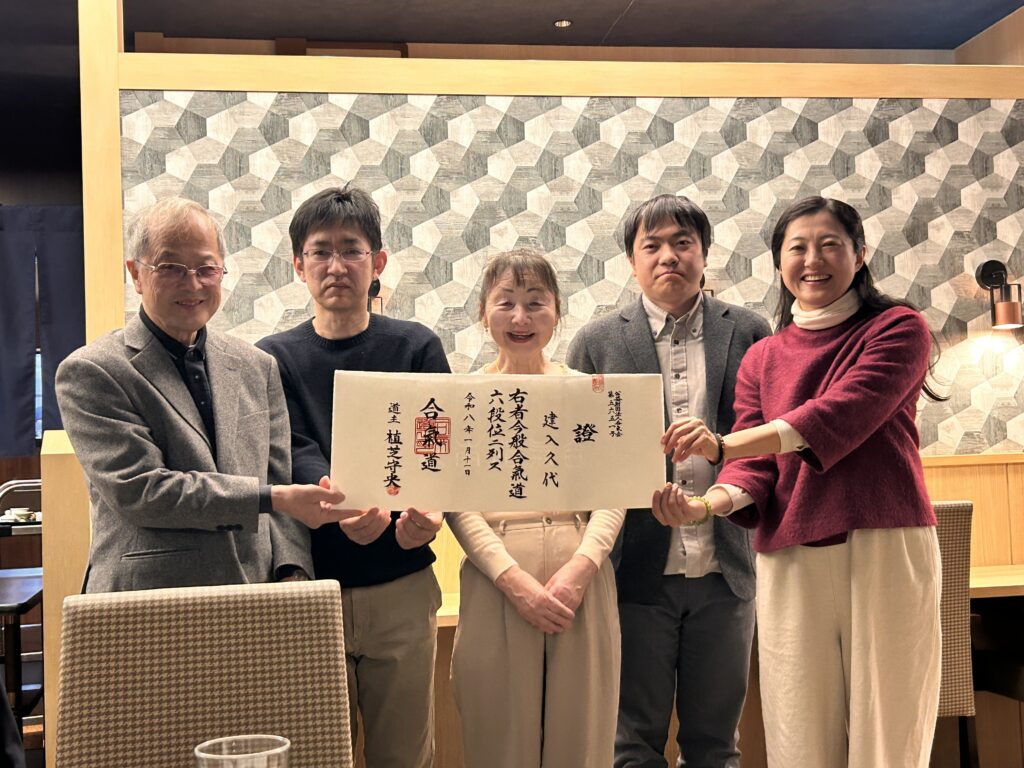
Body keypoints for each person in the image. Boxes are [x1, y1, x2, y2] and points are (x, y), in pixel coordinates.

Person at [661, 196, 942, 768]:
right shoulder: (763, 356)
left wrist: (724, 444)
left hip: (883, 542)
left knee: (888, 725)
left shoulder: (899, 328)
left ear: (860, 255)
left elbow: (839, 414)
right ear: (779, 263)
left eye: (830, 244)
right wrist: (704, 506)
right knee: (797, 728)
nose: (813, 260)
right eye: (798, 248)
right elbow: (756, 469)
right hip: (789, 552)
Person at [567, 194, 771, 768]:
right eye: (651, 245)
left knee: (716, 745)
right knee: (633, 743)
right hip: (634, 571)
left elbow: (766, 442)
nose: (668, 257)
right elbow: (580, 463)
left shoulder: (750, 331)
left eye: (683, 243)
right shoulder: (596, 342)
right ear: (631, 261)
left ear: (704, 253)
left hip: (726, 567)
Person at [56, 198, 345, 593]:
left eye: (206, 269)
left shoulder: (257, 366)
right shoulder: (93, 371)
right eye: (170, 267)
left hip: (254, 594)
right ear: (136, 274)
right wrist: (269, 498)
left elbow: (280, 480)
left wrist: (293, 572)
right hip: (149, 599)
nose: (192, 284)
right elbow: (142, 492)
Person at [256, 185, 449, 768]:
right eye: (320, 251)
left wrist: (427, 511)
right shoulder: (271, 357)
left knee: (405, 756)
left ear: (378, 261)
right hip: (309, 587)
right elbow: (289, 447)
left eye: (351, 250)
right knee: (318, 755)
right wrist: (347, 504)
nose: (336, 265)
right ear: (298, 265)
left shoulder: (416, 346)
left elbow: (437, 447)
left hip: (402, 582)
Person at [447, 249, 625, 768]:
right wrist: (513, 580)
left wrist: (581, 568)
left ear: (557, 312)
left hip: (582, 581)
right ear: (484, 313)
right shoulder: (461, 396)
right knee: (499, 742)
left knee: (582, 741)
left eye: (535, 303)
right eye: (506, 303)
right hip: (495, 580)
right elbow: (456, 502)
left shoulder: (588, 391)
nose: (520, 317)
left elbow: (613, 491)